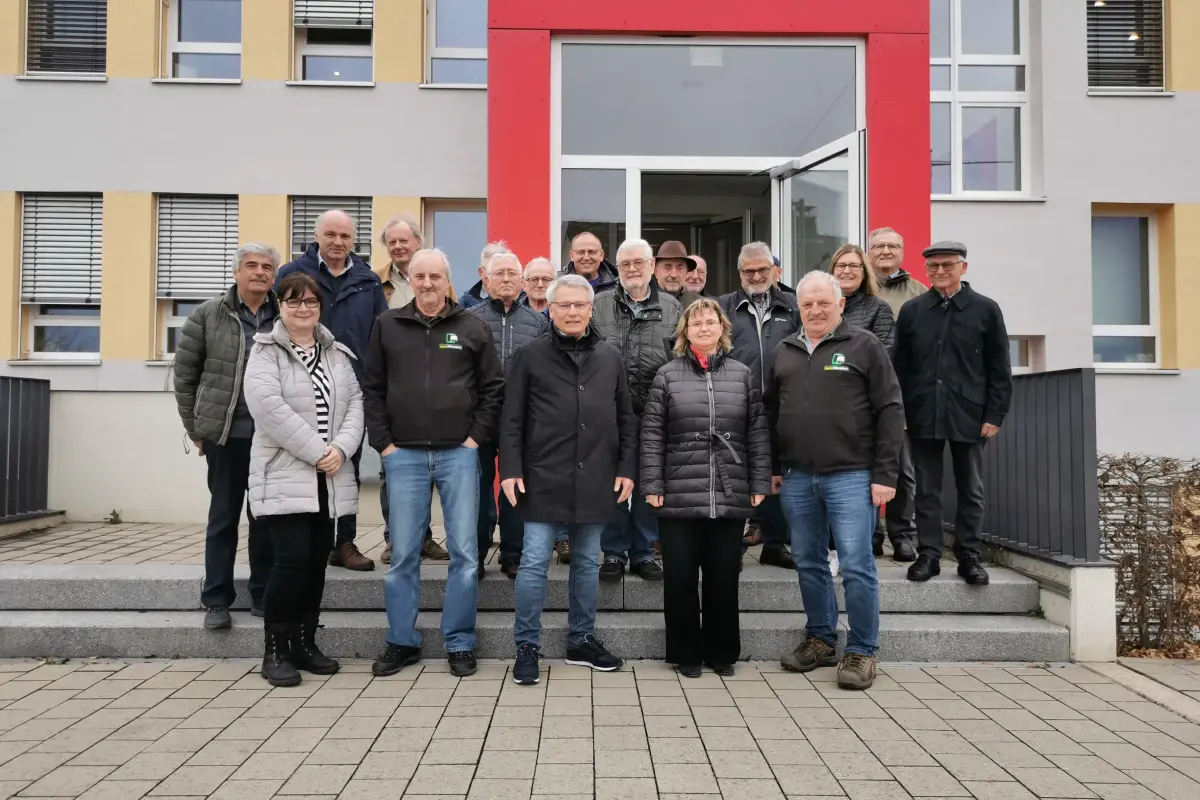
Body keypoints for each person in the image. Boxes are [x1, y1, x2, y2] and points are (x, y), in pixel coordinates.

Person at [364, 248, 504, 678]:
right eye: (419, 275)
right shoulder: (388, 325)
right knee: (404, 553)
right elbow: (372, 388)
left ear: (448, 280)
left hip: (458, 455)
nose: (427, 283)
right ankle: (401, 641)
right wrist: (384, 445)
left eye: (435, 276)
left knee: (464, 553)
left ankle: (459, 641)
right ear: (410, 278)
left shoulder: (473, 326)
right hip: (402, 455)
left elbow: (492, 390)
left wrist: (472, 441)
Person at [767, 271, 905, 691]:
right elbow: (772, 413)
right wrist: (774, 466)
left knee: (857, 565)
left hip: (852, 475)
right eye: (806, 304)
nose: (814, 310)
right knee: (808, 561)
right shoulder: (784, 350)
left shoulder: (865, 346)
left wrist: (885, 473)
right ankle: (821, 638)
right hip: (797, 476)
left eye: (823, 302)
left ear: (840, 303)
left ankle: (863, 649)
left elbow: (891, 409)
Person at [501, 274, 634, 684]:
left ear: (591, 310)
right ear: (551, 309)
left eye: (580, 305)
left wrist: (627, 468)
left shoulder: (610, 357)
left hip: (597, 475)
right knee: (535, 561)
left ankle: (581, 641)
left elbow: (627, 418)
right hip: (542, 476)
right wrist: (510, 469)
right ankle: (527, 646)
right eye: (565, 305)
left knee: (587, 564)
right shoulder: (529, 355)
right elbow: (511, 420)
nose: (573, 311)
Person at [243, 273, 363, 686]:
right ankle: (274, 650)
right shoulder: (265, 353)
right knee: (290, 563)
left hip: (328, 478)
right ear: (280, 305)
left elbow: (356, 405)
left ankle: (305, 644)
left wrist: (341, 450)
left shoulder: (336, 353)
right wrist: (317, 451)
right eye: (294, 301)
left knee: (315, 566)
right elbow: (268, 408)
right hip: (284, 475)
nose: (303, 308)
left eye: (311, 301)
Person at [641, 298, 771, 678]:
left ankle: (722, 652)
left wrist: (759, 482)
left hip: (730, 490)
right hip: (679, 491)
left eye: (710, 322)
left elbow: (758, 434)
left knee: (723, 575)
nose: (703, 328)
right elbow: (651, 435)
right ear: (685, 331)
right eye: (695, 323)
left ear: (722, 329)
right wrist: (652, 483)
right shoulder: (667, 375)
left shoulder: (742, 374)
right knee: (680, 578)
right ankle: (686, 653)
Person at [894, 241, 1012, 586]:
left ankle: (969, 555)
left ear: (963, 267)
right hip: (923, 411)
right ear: (926, 270)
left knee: (970, 488)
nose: (940, 272)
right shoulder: (914, 311)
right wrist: (900, 409)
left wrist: (995, 414)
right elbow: (900, 365)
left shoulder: (986, 309)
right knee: (926, 488)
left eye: (948, 265)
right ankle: (929, 553)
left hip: (970, 413)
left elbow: (999, 368)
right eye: (933, 267)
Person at [173, 244, 279, 630]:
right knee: (223, 519)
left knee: (265, 519)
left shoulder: (282, 314)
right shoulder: (208, 314)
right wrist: (196, 429)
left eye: (267, 267)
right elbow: (185, 376)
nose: (260, 273)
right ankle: (217, 599)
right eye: (251, 266)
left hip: (271, 438)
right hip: (225, 436)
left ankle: (263, 594)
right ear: (236, 272)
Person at [276, 209, 386, 572]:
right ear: (316, 235)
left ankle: (344, 542)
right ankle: (311, 540)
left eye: (346, 237)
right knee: (302, 464)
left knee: (346, 465)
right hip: (299, 384)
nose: (338, 242)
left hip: (350, 388)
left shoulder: (368, 281)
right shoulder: (293, 275)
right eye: (331, 235)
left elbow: (379, 335)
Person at [592, 238, 682, 582]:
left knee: (649, 484)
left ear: (651, 267)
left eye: (638, 263)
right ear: (618, 268)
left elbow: (680, 359)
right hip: (609, 413)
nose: (632, 269)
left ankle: (644, 551)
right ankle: (613, 552)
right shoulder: (598, 305)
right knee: (612, 483)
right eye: (625, 263)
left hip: (655, 412)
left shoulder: (673, 308)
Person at [827, 244, 915, 562]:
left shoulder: (877, 307)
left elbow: (884, 352)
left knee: (893, 469)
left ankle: (901, 535)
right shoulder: (822, 306)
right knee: (851, 471)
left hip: (872, 399)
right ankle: (871, 536)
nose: (847, 271)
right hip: (831, 405)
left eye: (854, 266)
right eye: (841, 265)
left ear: (864, 272)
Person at [371, 216, 449, 567]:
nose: (399, 246)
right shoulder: (377, 285)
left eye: (405, 240)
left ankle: (426, 538)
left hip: (434, 397)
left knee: (431, 476)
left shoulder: (437, 278)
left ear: (418, 242)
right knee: (394, 477)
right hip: (398, 393)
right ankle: (395, 539)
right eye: (393, 241)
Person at [469, 252, 550, 578]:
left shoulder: (538, 323)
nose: (506, 279)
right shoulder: (469, 319)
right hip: (479, 419)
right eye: (498, 273)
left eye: (512, 274)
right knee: (476, 487)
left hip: (522, 420)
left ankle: (513, 553)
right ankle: (474, 552)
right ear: (485, 278)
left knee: (516, 486)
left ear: (522, 282)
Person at [719, 242, 797, 570]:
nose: (755, 275)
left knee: (778, 475)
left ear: (774, 271)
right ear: (740, 273)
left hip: (784, 405)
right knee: (736, 475)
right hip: (737, 405)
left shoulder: (793, 307)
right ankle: (732, 545)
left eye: (762, 269)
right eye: (748, 271)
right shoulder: (722, 307)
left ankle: (775, 544)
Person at [867, 227, 927, 318]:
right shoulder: (857, 287)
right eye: (879, 246)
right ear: (868, 254)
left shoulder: (919, 291)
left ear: (902, 253)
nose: (886, 251)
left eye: (892, 246)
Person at [460, 241, 512, 310]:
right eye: (492, 271)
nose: (504, 278)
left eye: (501, 272)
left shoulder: (521, 299)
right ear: (481, 272)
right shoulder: (465, 303)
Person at [654, 240, 703, 308]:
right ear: (656, 272)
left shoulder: (698, 305)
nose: (674, 275)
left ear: (686, 272)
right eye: (667, 268)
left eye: (679, 268)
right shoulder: (644, 303)